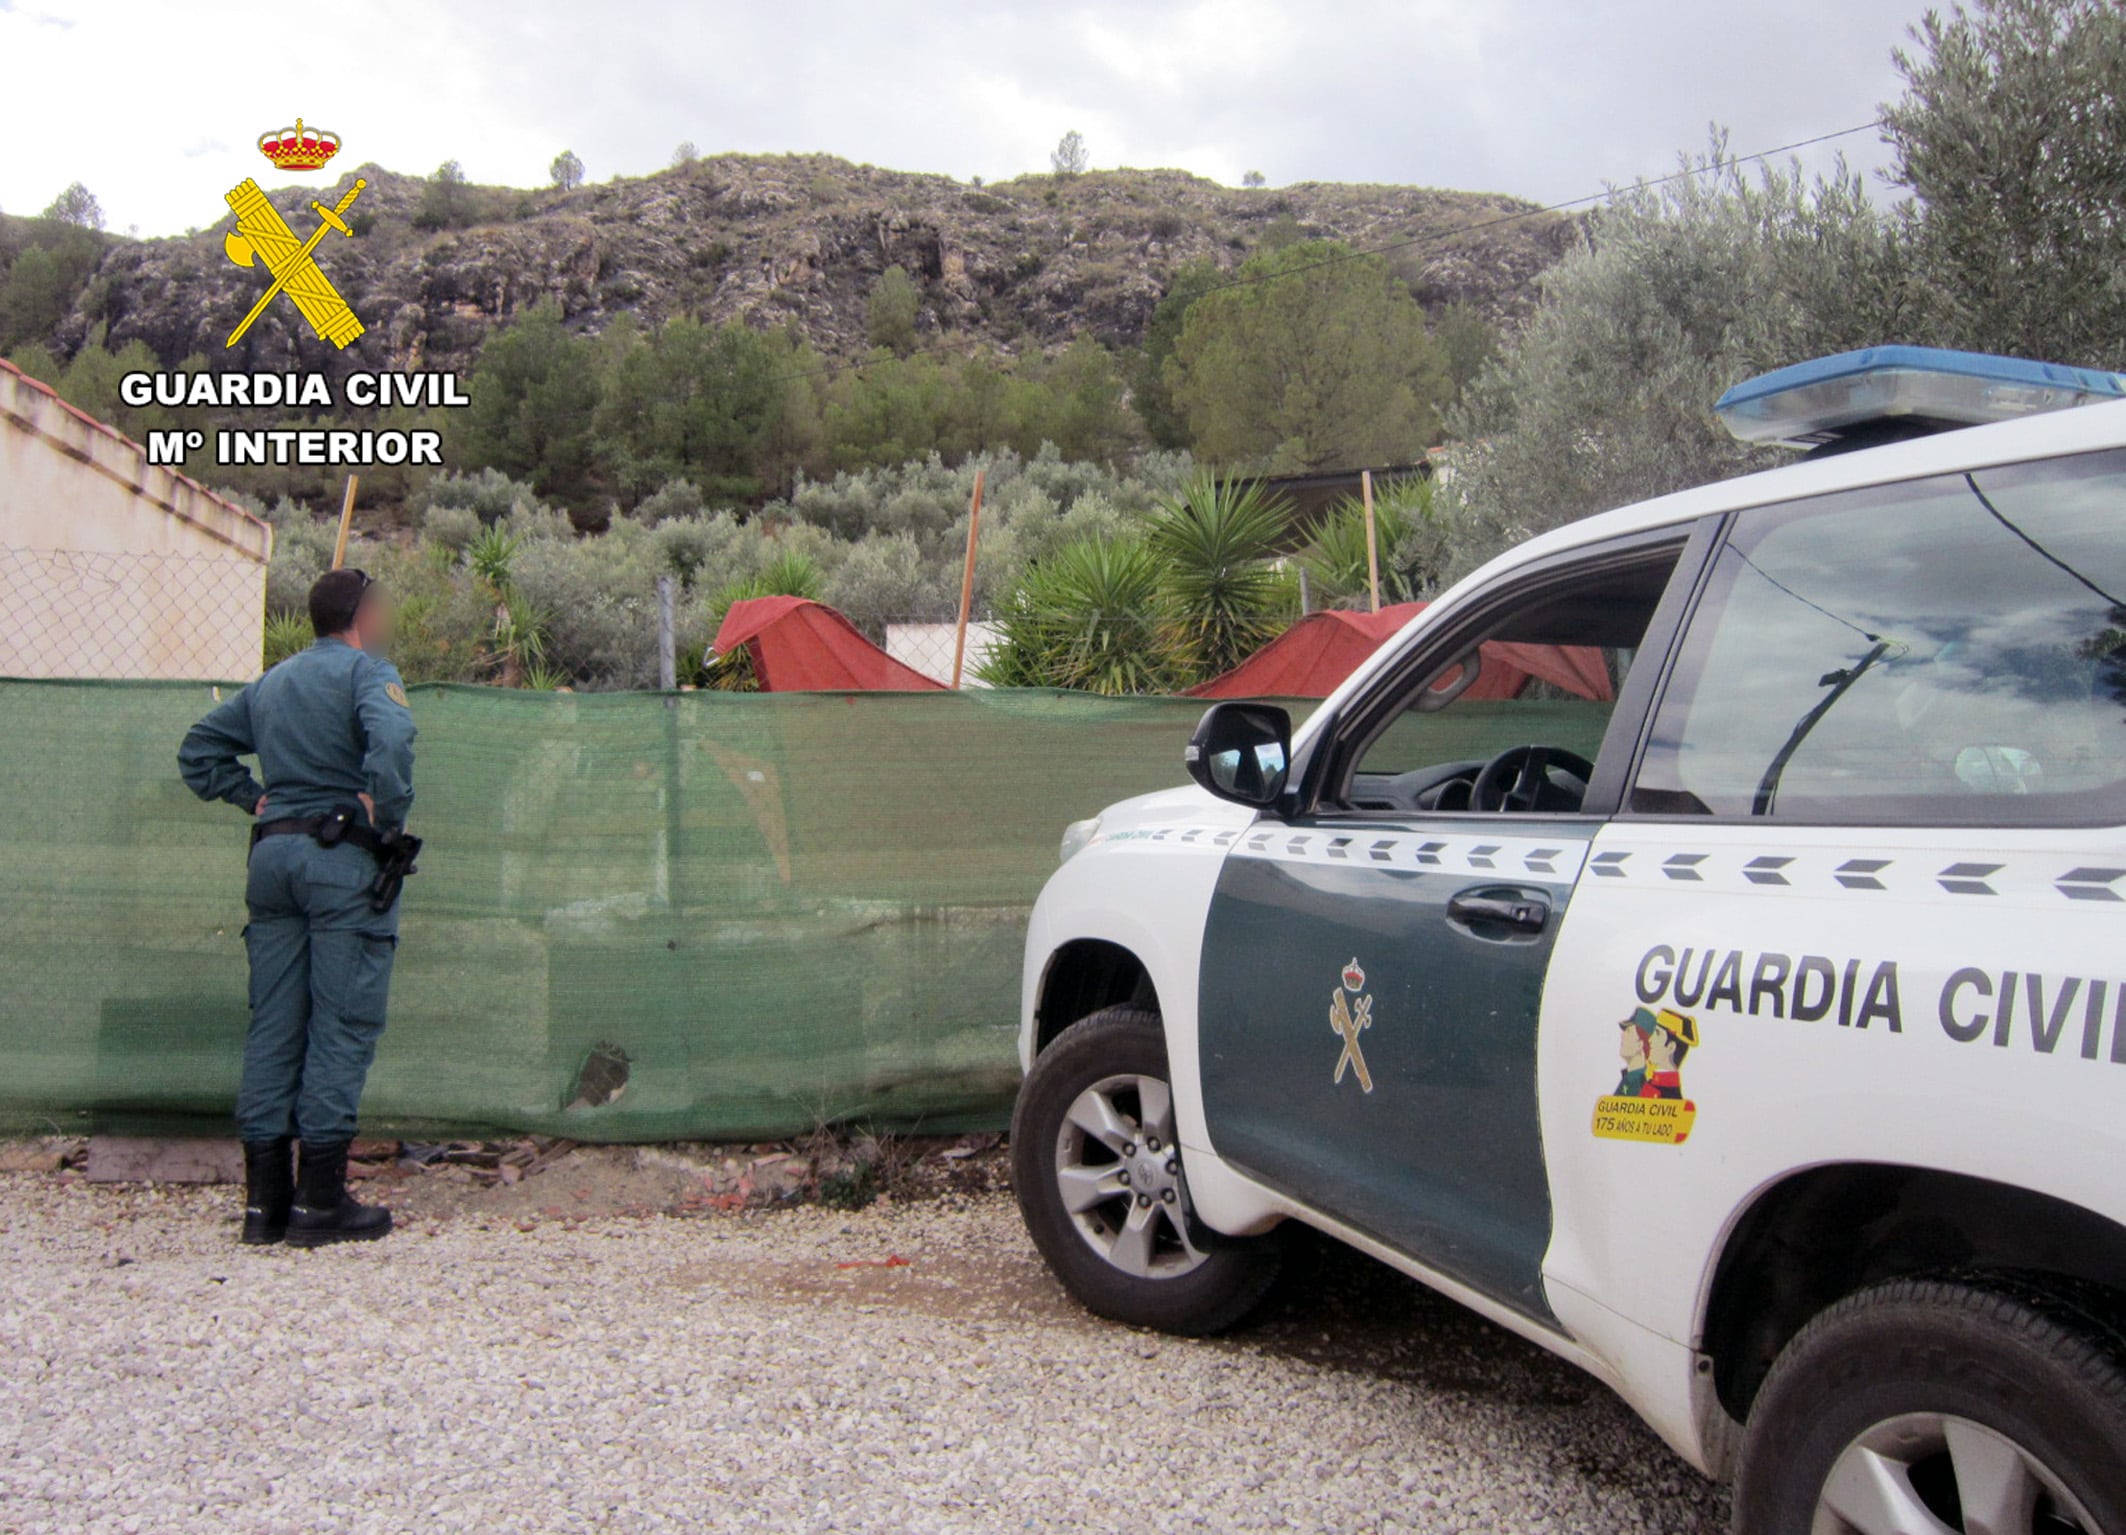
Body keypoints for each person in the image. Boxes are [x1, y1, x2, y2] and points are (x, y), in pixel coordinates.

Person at [178, 568, 416, 1248]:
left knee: (276, 1021)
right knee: (341, 1018)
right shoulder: (367, 673)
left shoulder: (272, 682)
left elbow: (198, 751)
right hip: (340, 859)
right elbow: (393, 743)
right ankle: (319, 1203)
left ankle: (264, 1206)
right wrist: (388, 811)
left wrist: (254, 796)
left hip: (272, 858)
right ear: (363, 613)